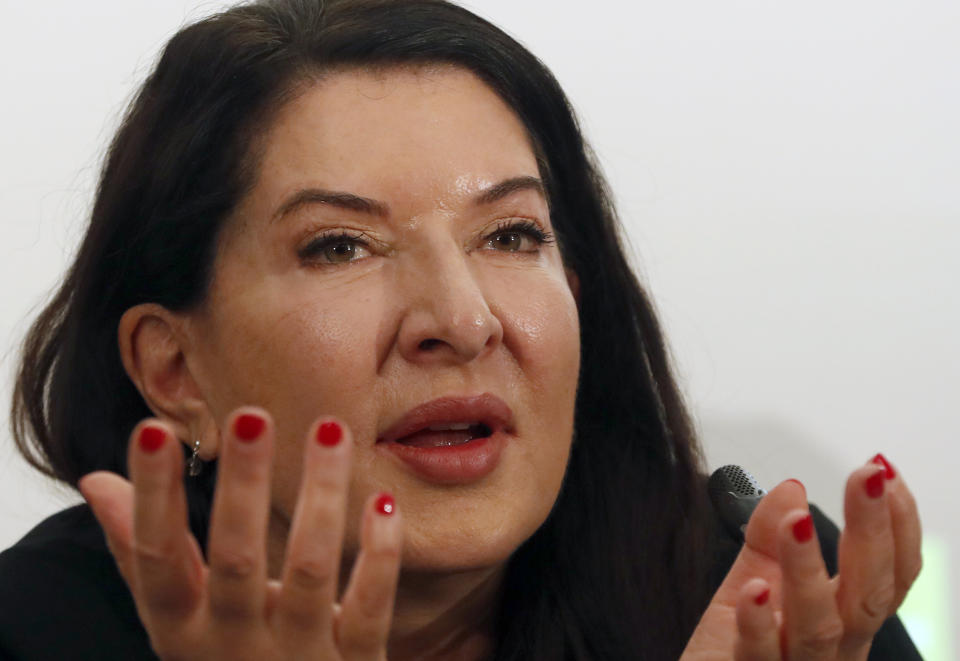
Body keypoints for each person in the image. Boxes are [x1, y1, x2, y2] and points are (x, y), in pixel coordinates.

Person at [0, 0, 923, 659]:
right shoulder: (36, 626)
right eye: (339, 246)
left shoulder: (771, 603)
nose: (461, 319)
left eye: (512, 233)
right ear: (175, 370)